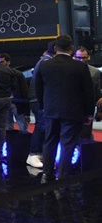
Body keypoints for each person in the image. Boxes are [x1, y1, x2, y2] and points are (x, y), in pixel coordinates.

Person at [33, 34, 96, 183]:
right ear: (71, 49)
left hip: (50, 110)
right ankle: (62, 177)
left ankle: (47, 174)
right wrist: (88, 113)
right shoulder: (80, 67)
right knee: (67, 144)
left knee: (49, 142)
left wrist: (43, 106)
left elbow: (38, 88)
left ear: (56, 48)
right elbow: (88, 92)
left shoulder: (44, 65)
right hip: (73, 112)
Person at [26, 41, 55, 169]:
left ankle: (38, 153)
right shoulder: (46, 62)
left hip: (39, 98)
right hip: (39, 99)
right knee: (42, 126)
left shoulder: (44, 61)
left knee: (44, 126)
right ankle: (33, 153)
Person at [74, 46, 101, 140]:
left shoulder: (95, 72)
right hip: (72, 106)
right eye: (78, 57)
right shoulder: (69, 70)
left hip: (88, 106)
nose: (81, 60)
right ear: (74, 57)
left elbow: (97, 90)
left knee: (86, 132)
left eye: (83, 57)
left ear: (88, 57)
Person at [0, 52, 30, 134]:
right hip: (6, 103)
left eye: (2, 62)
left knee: (22, 127)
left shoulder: (18, 74)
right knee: (8, 128)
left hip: (17, 103)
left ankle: (23, 141)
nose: (0, 64)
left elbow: (24, 91)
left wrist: (27, 111)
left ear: (8, 62)